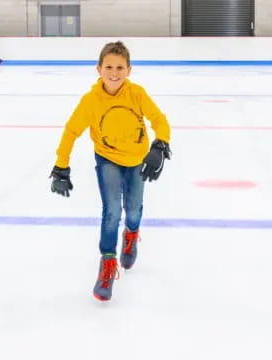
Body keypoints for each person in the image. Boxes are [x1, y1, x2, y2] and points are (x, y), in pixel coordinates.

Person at [49, 41, 171, 301]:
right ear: (98, 69)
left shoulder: (136, 94)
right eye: (108, 67)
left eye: (119, 67)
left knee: (134, 208)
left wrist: (160, 144)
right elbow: (71, 132)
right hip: (107, 159)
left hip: (137, 158)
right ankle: (107, 262)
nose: (114, 72)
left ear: (129, 70)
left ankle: (131, 235)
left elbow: (159, 120)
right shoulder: (90, 101)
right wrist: (61, 165)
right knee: (112, 210)